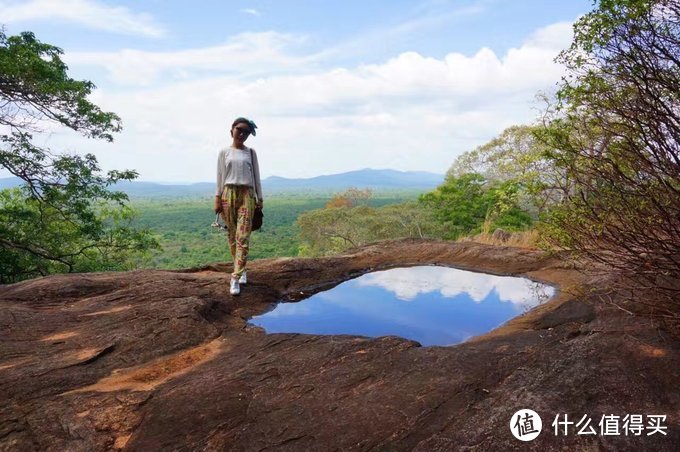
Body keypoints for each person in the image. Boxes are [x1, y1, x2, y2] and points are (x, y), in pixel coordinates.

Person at [214, 117, 264, 295]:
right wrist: (217, 198)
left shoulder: (251, 152)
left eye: (246, 132)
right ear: (232, 130)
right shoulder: (224, 152)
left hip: (247, 195)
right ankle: (242, 268)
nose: (242, 134)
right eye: (239, 129)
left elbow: (256, 176)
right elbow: (220, 176)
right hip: (228, 193)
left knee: (243, 236)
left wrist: (260, 198)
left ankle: (235, 277)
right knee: (232, 235)